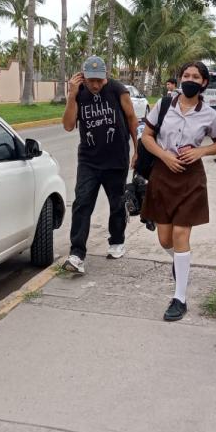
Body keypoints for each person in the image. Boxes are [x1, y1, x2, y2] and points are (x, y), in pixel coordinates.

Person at [141, 61, 216, 321]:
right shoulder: (164, 105)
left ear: (204, 83)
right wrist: (164, 157)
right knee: (165, 239)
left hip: (191, 179)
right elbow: (147, 136)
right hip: (163, 175)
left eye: (195, 76)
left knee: (180, 234)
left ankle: (180, 298)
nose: (189, 79)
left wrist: (201, 150)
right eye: (186, 75)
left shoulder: (209, 114)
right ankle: (181, 263)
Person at [61, 56, 139, 275]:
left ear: (106, 77)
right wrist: (72, 95)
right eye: (90, 80)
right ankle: (77, 254)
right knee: (82, 203)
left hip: (116, 159)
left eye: (99, 80)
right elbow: (68, 126)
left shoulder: (117, 89)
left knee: (116, 203)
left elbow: (132, 119)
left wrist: (137, 150)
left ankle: (117, 241)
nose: (95, 85)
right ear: (82, 77)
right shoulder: (79, 94)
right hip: (89, 160)